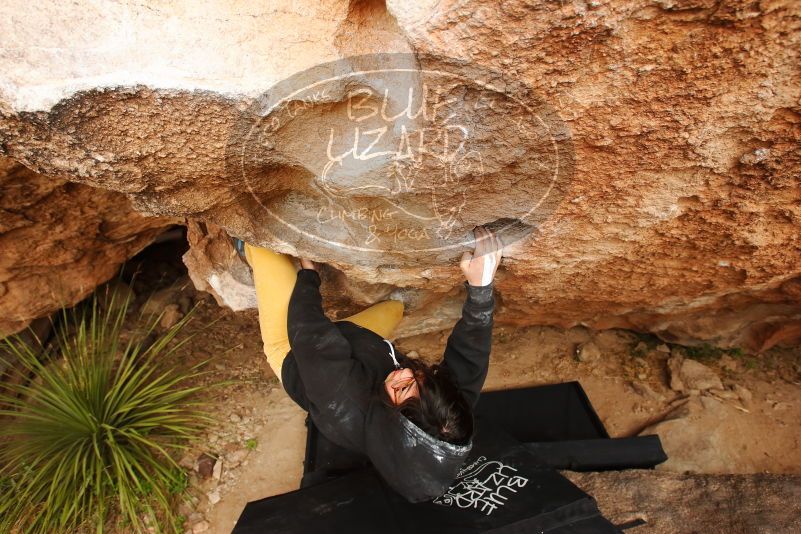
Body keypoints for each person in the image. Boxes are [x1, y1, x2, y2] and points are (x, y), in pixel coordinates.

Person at [242, 226, 503, 502]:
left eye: (402, 390)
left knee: (263, 248)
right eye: (420, 379)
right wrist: (481, 290)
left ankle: (242, 247)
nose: (404, 372)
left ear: (391, 418)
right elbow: (470, 359)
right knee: (395, 308)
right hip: (359, 347)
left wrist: (309, 275)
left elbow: (309, 333)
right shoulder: (444, 418)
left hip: (295, 348)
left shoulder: (343, 399)